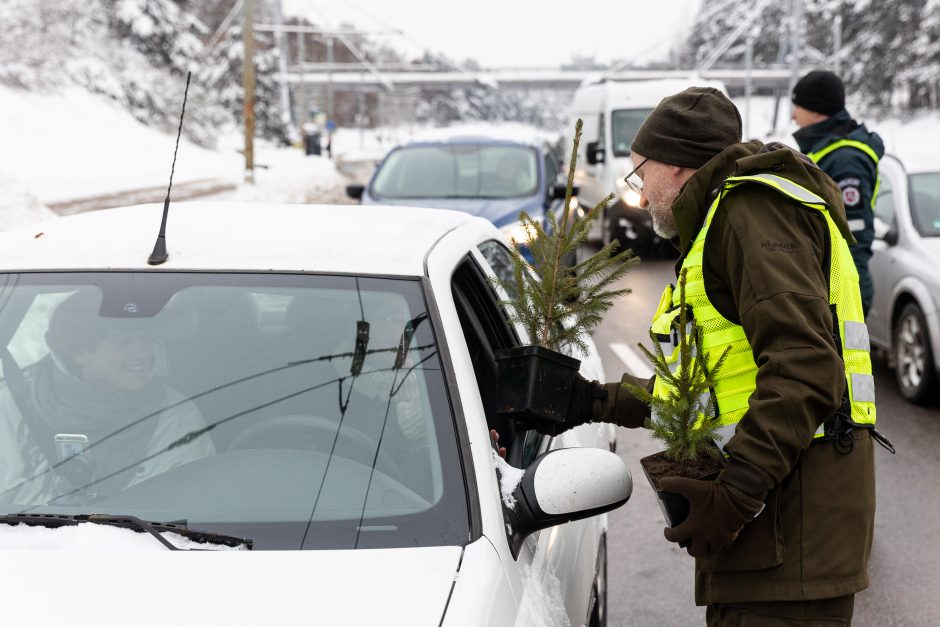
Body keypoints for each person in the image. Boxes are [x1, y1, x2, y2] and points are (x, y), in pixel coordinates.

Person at [550, 87, 883, 624]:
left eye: (641, 173)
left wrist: (736, 495)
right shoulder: (718, 222)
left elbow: (805, 365)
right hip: (769, 535)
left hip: (789, 531)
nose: (640, 191)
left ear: (677, 165)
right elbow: (704, 394)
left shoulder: (750, 213)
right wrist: (593, 399)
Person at [0, 289, 215, 505]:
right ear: (79, 354)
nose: (141, 352)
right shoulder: (11, 409)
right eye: (122, 342)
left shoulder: (176, 417)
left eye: (146, 339)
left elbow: (192, 513)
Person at [791, 69, 884, 317]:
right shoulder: (826, 151)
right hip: (828, 282)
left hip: (841, 289)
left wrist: (840, 296)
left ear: (817, 110)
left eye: (797, 106)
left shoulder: (845, 160)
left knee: (848, 356)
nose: (792, 115)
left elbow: (853, 233)